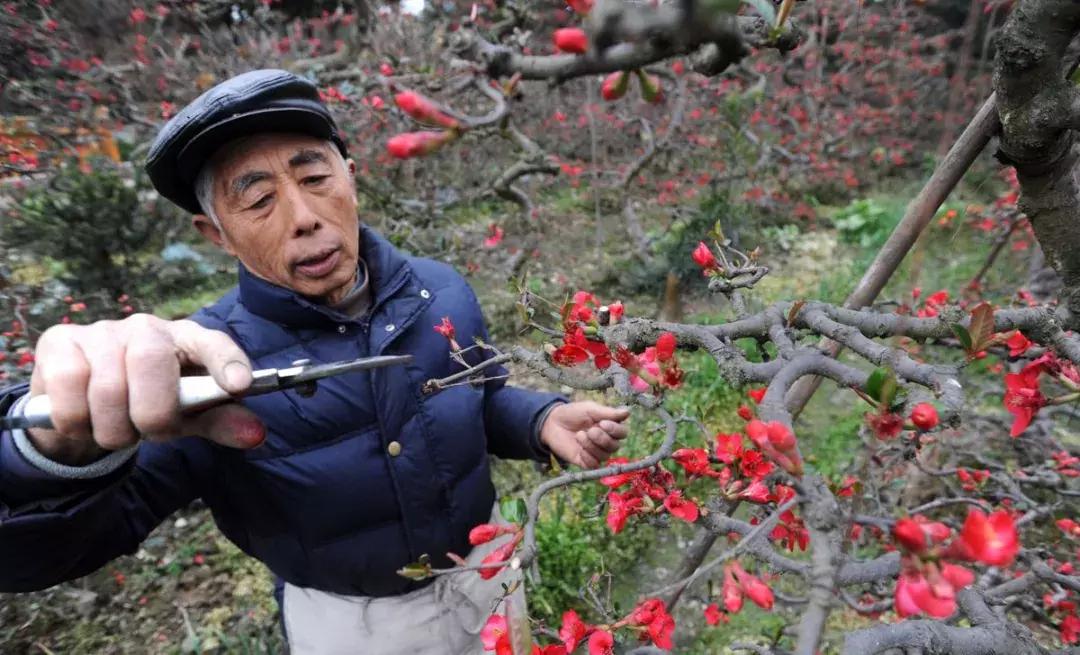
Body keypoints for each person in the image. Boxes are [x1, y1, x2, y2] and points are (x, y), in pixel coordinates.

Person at [0, 69, 631, 653]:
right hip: (351, 626)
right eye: (257, 199)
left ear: (351, 176)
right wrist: (56, 454)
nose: (304, 218)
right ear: (214, 234)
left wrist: (538, 419)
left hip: (490, 576)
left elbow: (476, 392)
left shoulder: (440, 290)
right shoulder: (205, 369)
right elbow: (50, 548)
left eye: (314, 177)